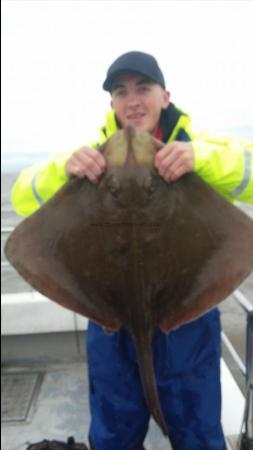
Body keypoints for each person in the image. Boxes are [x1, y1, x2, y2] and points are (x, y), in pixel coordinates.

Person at [11, 51, 253, 450]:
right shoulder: (90, 157)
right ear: (112, 104)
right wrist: (62, 170)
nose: (133, 99)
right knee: (114, 435)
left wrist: (202, 160)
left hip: (186, 316)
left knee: (196, 433)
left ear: (165, 96)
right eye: (121, 91)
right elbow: (23, 197)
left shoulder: (201, 148)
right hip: (111, 320)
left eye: (144, 88)